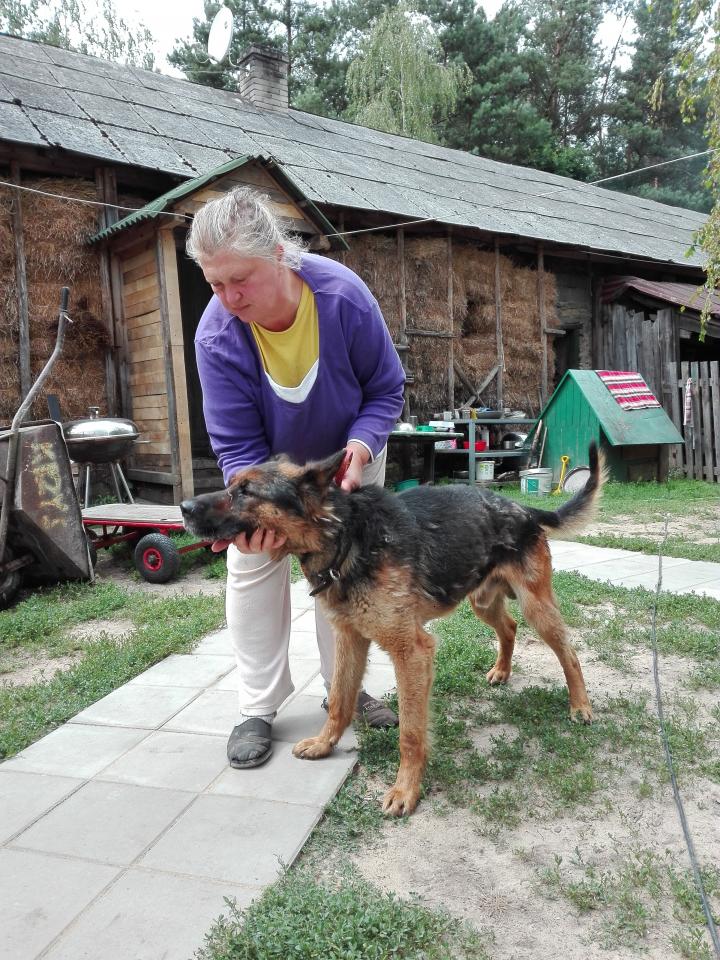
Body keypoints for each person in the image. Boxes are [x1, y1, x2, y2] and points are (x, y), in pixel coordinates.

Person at [186, 186, 406, 769]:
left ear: (280, 255)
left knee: (348, 571)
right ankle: (257, 706)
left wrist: (361, 447)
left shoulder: (343, 299)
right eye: (215, 284)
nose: (229, 298)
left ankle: (345, 690)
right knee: (252, 568)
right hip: (267, 473)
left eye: (240, 280)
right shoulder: (217, 336)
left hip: (349, 460)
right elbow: (237, 443)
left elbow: (385, 389)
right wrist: (253, 517)